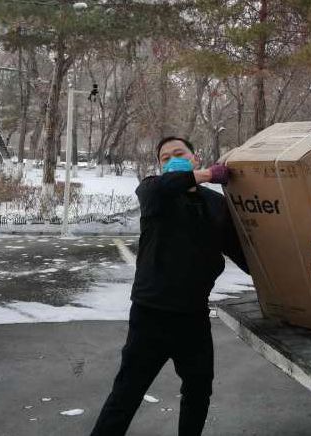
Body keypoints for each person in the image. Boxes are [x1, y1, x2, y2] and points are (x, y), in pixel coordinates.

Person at [90, 137, 249, 436]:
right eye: (165, 158)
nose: (172, 160)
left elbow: (239, 251)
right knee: (127, 393)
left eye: (179, 153)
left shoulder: (216, 204)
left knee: (198, 391)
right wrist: (208, 174)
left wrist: (274, 277)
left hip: (194, 317)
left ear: (195, 157)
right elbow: (164, 187)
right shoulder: (153, 191)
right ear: (160, 167)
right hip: (151, 315)